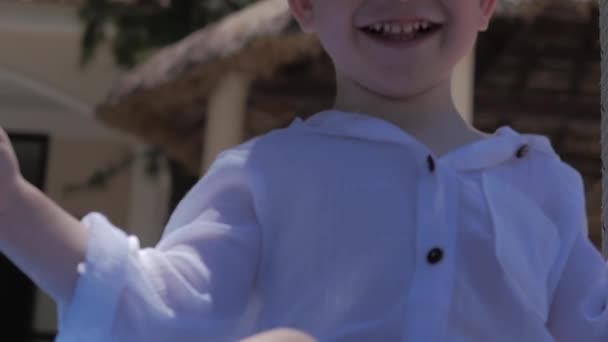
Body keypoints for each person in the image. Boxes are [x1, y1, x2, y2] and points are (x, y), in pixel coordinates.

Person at [0, 0, 607, 340]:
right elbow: (157, 308)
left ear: (485, 2)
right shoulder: (264, 174)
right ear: (304, 5)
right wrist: (11, 204)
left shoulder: (542, 182)